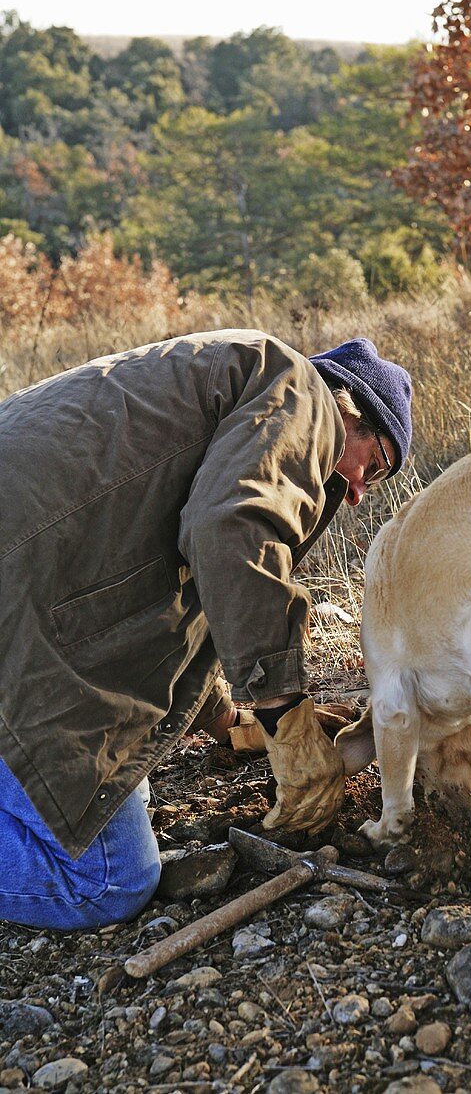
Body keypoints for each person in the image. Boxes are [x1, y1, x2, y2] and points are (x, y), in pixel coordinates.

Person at [0, 329, 412, 929]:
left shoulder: (232, 383)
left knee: (115, 780)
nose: (355, 494)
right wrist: (287, 722)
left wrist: (227, 717)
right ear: (353, 409)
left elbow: (161, 582)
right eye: (373, 468)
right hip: (15, 602)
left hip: (26, 582)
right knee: (110, 880)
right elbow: (231, 534)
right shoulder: (303, 396)